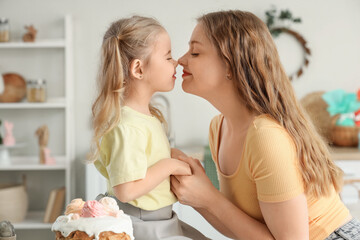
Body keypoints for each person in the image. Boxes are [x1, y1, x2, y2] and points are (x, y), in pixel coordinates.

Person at [171, 10, 360, 240]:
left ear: (231, 65)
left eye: (196, 52)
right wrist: (198, 198)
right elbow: (243, 230)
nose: (181, 60)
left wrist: (208, 197)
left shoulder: (265, 136)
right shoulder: (218, 127)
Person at [89, 16, 209, 240]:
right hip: (142, 224)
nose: (175, 63)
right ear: (138, 69)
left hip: (159, 219)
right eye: (168, 56)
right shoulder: (127, 125)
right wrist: (170, 164)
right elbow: (126, 190)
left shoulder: (144, 117)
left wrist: (172, 159)